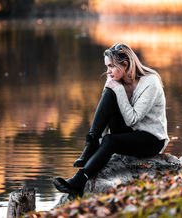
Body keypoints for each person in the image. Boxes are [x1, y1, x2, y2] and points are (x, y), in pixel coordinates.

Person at [53, 43, 170, 197]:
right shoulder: (116, 79)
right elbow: (106, 114)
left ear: (125, 65)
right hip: (131, 133)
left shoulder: (150, 83)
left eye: (111, 66)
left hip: (151, 139)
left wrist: (119, 89)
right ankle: (92, 142)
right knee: (109, 94)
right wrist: (99, 139)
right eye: (107, 66)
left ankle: (79, 181)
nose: (107, 71)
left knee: (110, 141)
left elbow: (132, 119)